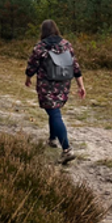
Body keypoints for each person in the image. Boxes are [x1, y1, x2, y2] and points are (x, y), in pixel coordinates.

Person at [25, 20, 86, 164]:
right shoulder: (66, 44)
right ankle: (52, 139)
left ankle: (67, 149)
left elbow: (32, 65)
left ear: (43, 31)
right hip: (63, 84)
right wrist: (81, 86)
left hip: (46, 85)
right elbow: (75, 66)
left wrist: (28, 78)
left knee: (54, 113)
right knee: (54, 111)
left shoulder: (40, 47)